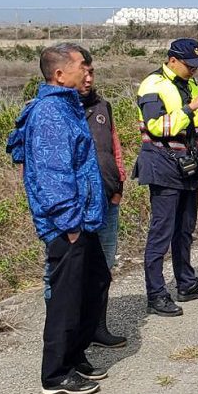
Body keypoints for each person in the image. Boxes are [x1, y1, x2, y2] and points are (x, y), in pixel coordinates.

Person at [6, 43, 110, 394]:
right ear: (60, 73)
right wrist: (68, 223)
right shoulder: (50, 112)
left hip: (85, 218)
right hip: (68, 223)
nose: (88, 71)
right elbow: (53, 174)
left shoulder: (67, 107)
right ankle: (55, 374)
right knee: (66, 296)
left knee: (94, 282)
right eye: (82, 65)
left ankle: (75, 355)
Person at [134, 38, 198, 316]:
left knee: (184, 230)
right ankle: (156, 294)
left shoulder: (190, 85)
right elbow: (157, 126)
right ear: (172, 60)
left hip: (189, 166)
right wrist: (190, 108)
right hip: (162, 166)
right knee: (161, 233)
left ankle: (186, 283)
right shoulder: (153, 85)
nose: (195, 70)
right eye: (190, 65)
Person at [79, 51, 128, 348]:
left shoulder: (102, 106)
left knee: (104, 267)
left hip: (108, 199)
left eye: (92, 72)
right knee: (71, 272)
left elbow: (114, 148)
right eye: (82, 72)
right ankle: (71, 335)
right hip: (79, 206)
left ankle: (98, 328)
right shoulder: (54, 110)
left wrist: (119, 184)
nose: (88, 78)